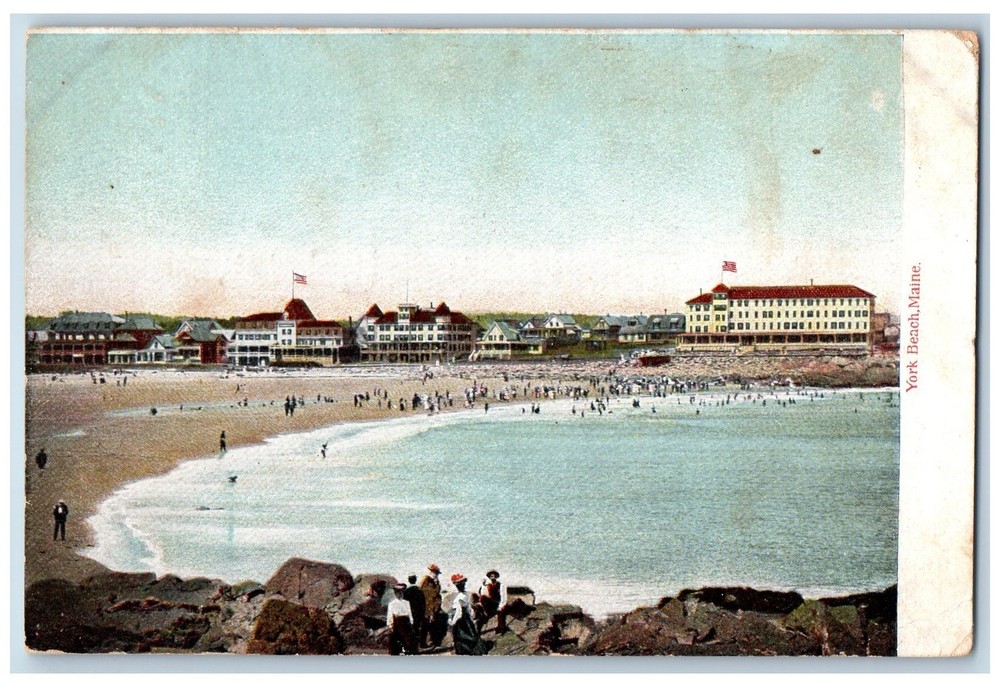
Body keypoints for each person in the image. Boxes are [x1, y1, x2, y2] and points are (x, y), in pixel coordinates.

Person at [448, 574, 486, 655]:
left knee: (461, 636)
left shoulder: (460, 597)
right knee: (470, 634)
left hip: (461, 621)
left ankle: (464, 652)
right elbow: (469, 609)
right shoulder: (466, 594)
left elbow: (459, 613)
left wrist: (452, 622)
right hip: (467, 619)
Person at [386, 583, 417, 655]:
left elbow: (409, 613)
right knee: (395, 637)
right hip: (396, 622)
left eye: (400, 592)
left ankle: (408, 649)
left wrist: (411, 621)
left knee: (408, 637)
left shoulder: (406, 602)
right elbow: (390, 614)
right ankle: (396, 650)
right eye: (397, 592)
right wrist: (389, 624)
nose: (399, 594)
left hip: (406, 622)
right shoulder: (392, 603)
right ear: (395, 593)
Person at [418, 564, 444, 648]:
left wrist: (437, 583)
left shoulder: (435, 581)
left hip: (433, 606)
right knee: (425, 625)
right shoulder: (425, 579)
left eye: (437, 573)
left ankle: (433, 641)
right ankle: (422, 643)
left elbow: (436, 592)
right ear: (432, 572)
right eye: (436, 573)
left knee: (433, 624)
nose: (436, 575)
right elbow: (425, 593)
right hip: (426, 606)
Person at [403, 574, 426, 646]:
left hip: (409, 613)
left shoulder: (406, 591)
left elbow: (404, 603)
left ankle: (411, 644)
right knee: (417, 628)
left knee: (410, 629)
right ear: (415, 580)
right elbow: (423, 603)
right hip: (418, 613)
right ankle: (420, 644)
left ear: (408, 580)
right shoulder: (419, 591)